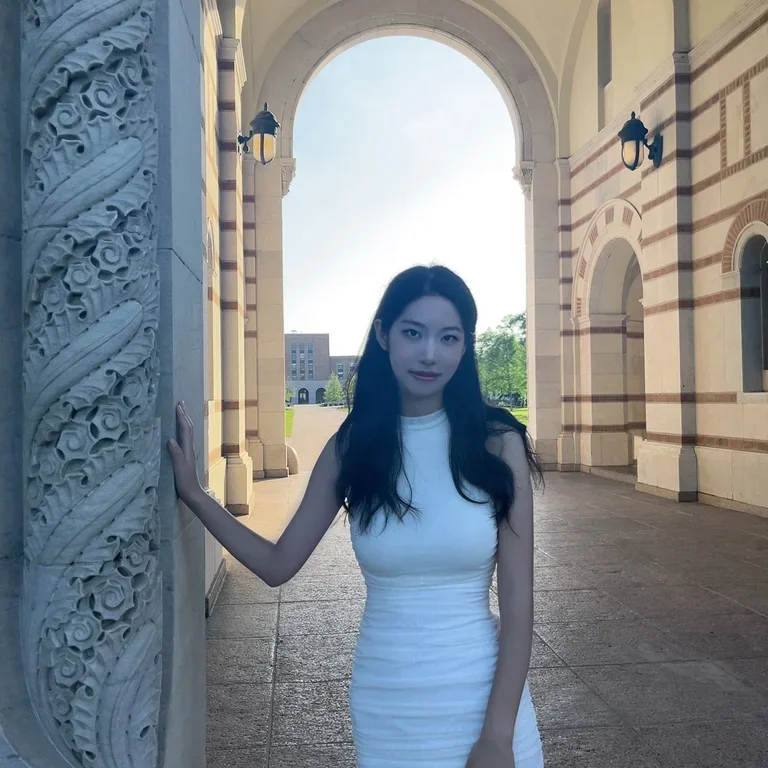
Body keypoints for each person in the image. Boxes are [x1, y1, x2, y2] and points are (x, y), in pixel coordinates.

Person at [168, 264, 545, 767]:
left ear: (464, 345)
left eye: (448, 337)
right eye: (414, 333)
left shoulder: (498, 443)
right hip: (388, 700)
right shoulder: (352, 448)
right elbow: (279, 564)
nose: (430, 353)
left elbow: (519, 605)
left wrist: (498, 737)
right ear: (384, 335)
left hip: (485, 693)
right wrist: (195, 494)